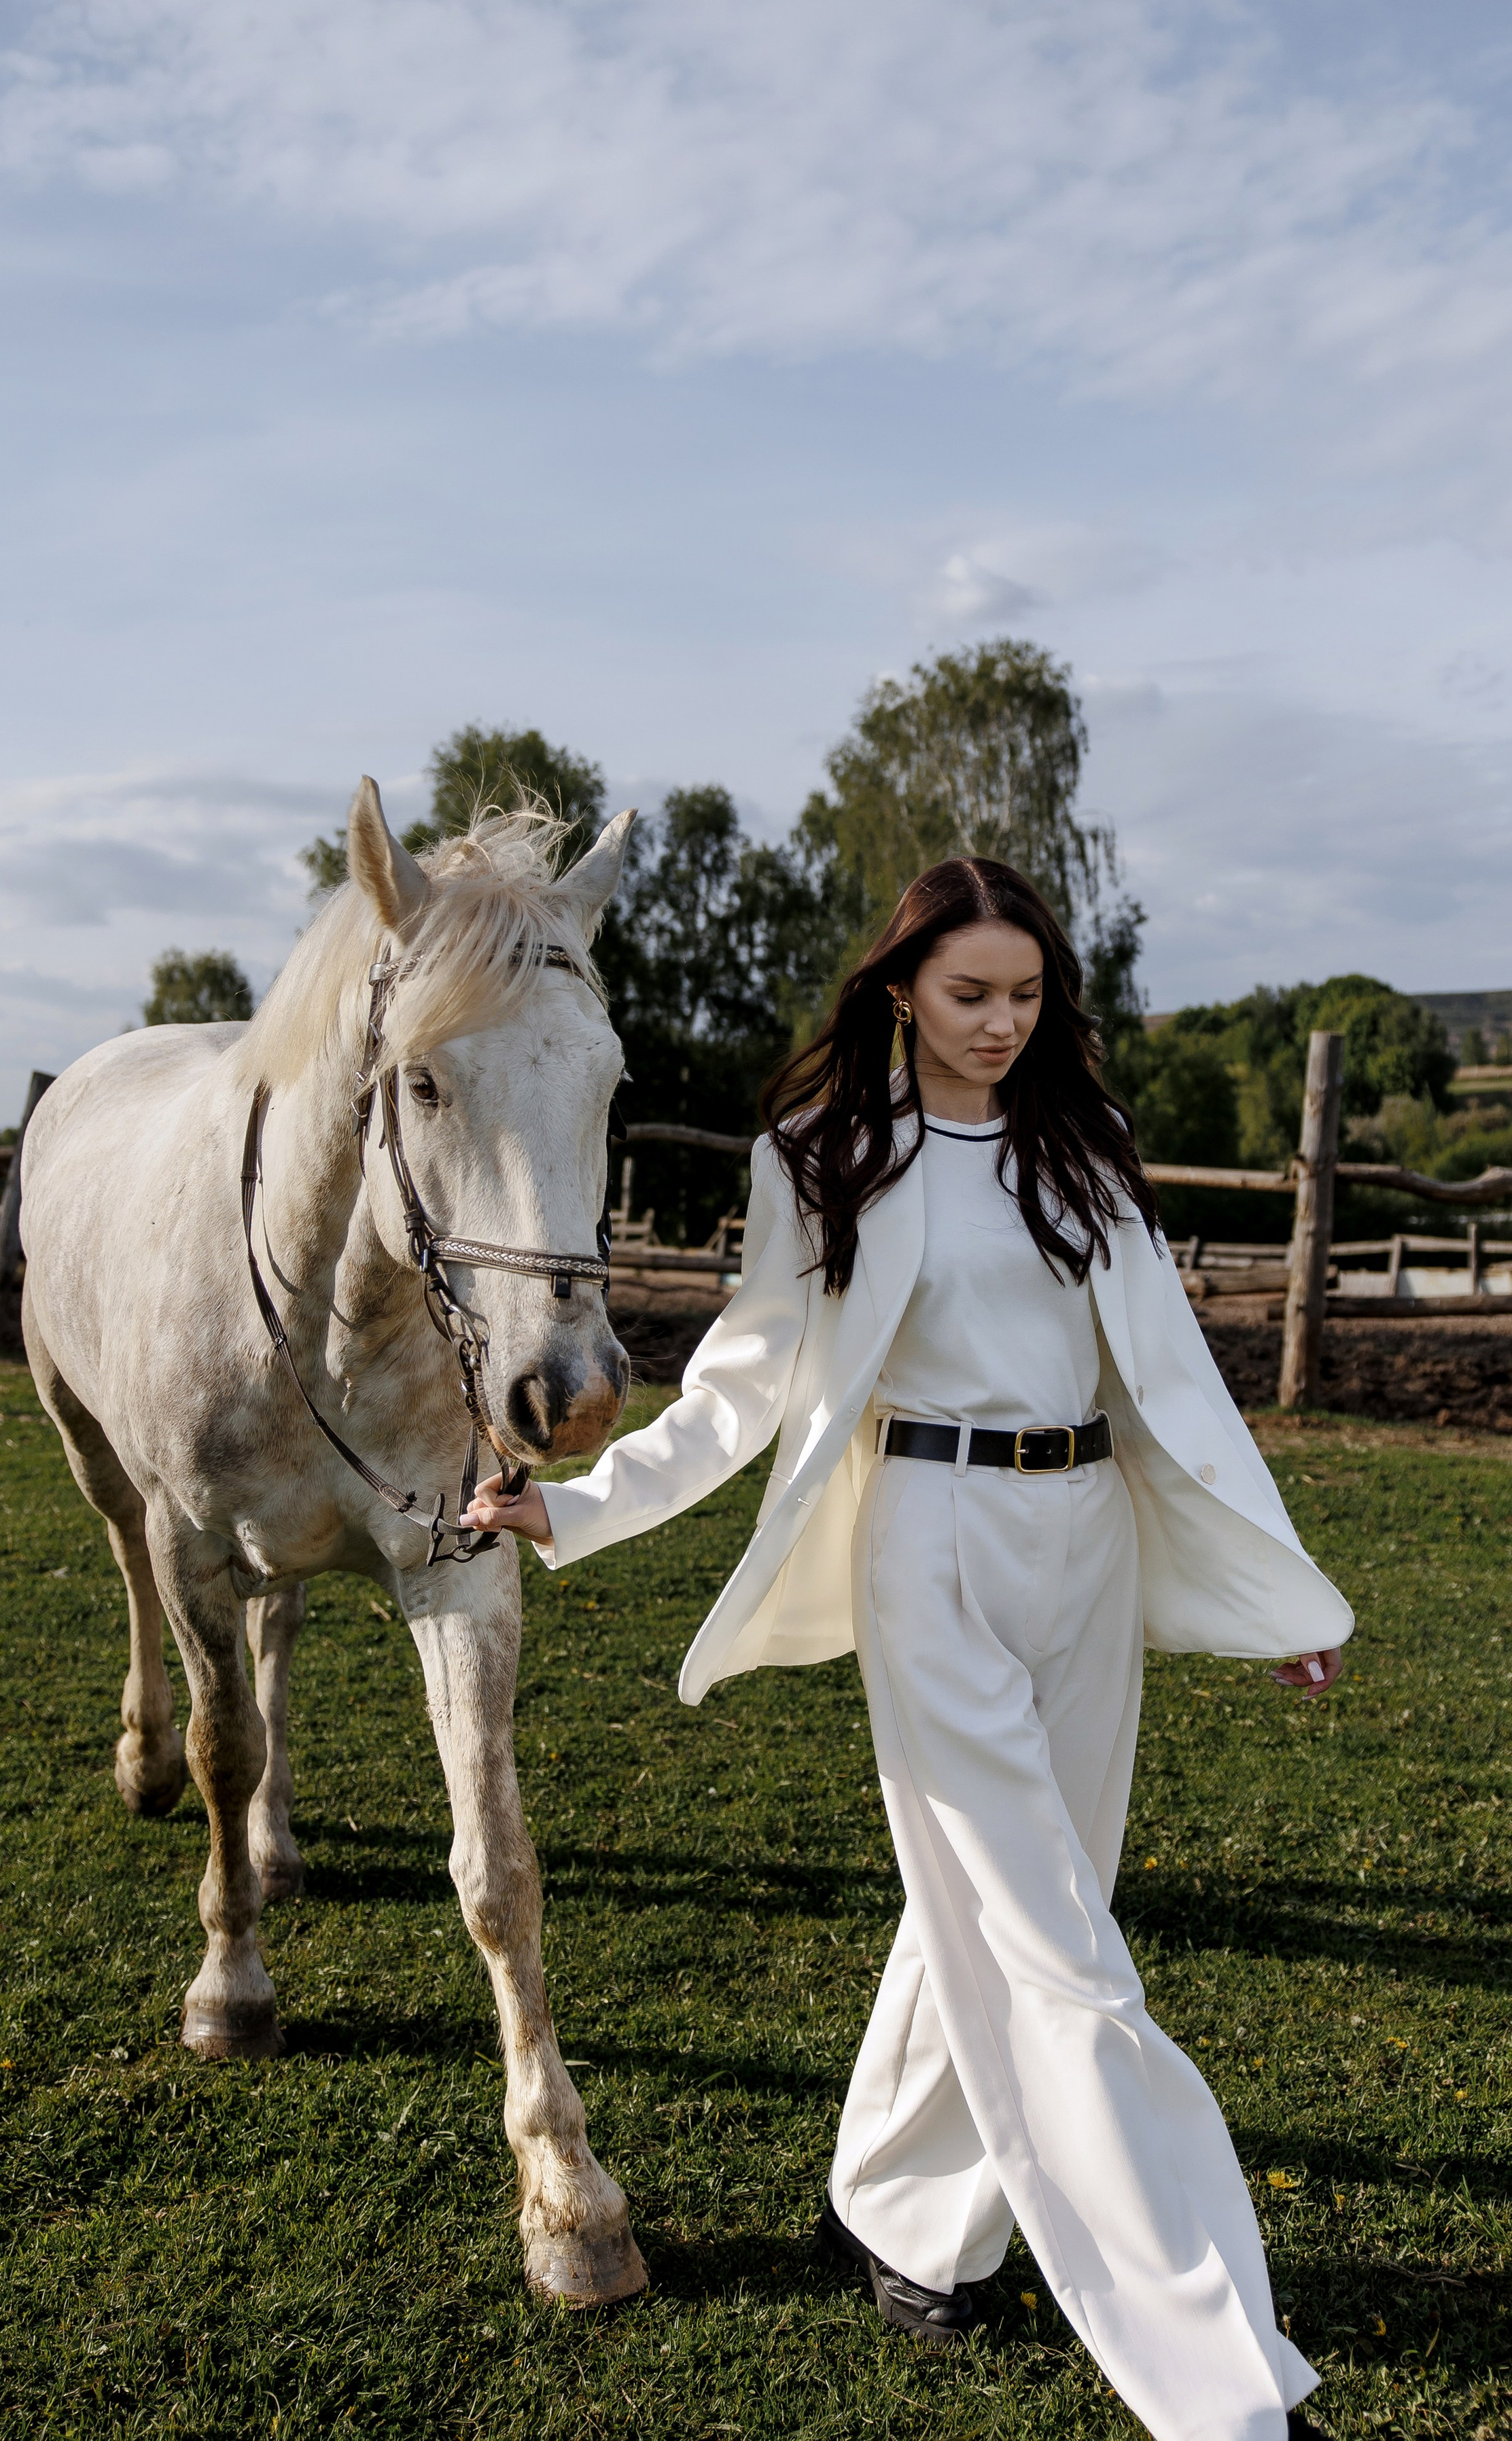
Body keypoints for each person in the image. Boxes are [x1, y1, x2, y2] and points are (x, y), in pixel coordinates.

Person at [464, 856, 1350, 2441]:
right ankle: (1217, 2374)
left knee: (1023, 1904)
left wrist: (1279, 1587)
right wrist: (581, 1507)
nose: (1000, 1023)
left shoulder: (1088, 1146)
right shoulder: (816, 1159)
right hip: (924, 1551)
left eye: (1023, 994)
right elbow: (740, 1386)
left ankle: (895, 2213)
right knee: (1064, 1967)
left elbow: (1168, 1380)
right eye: (968, 995)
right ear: (897, 993)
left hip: (1083, 1544)